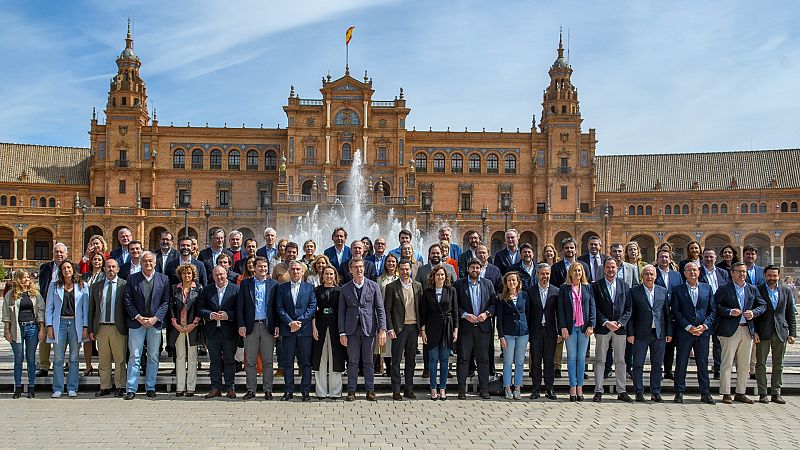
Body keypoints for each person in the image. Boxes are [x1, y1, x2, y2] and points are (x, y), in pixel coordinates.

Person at [714, 261, 766, 404]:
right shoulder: (724, 289)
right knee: (727, 363)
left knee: (744, 365)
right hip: (729, 330)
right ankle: (725, 393)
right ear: (732, 273)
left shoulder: (752, 289)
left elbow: (762, 305)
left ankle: (740, 392)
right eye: (739, 271)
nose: (742, 274)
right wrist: (729, 311)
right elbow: (715, 306)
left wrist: (754, 313)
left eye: (744, 272)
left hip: (747, 329)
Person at [338, 257, 387, 401]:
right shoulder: (345, 288)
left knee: (368, 361)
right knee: (352, 361)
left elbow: (380, 309)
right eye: (356, 267)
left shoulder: (373, 286)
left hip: (369, 329)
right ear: (350, 270)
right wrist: (342, 332)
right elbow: (341, 311)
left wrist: (382, 329)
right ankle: (351, 391)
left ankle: (370, 390)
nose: (359, 269)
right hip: (351, 330)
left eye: (361, 267)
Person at [123, 251, 171, 400]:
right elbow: (128, 301)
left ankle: (150, 387)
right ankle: (131, 388)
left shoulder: (163, 279)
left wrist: (155, 318)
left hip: (154, 324)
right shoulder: (132, 279)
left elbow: (165, 302)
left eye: (150, 261)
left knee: (153, 356)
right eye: (145, 261)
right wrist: (138, 317)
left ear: (155, 262)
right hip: (137, 323)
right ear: (141, 263)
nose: (148, 264)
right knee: (135, 356)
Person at [670, 262, 716, 404]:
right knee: (681, 363)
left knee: (702, 363)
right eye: (689, 270)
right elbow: (676, 311)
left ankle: (705, 393)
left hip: (702, 333)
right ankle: (679, 392)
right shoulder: (678, 289)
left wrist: (704, 326)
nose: (692, 273)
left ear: (699, 272)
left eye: (694, 270)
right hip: (685, 332)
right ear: (684, 273)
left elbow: (712, 311)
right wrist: (688, 326)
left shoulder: (707, 288)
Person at [627, 264, 671, 402]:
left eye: (651, 274)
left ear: (656, 276)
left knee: (657, 364)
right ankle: (639, 391)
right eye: (646, 274)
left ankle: (655, 392)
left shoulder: (662, 291)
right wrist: (630, 333)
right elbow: (631, 314)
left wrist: (668, 332)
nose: (649, 276)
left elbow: (666, 314)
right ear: (642, 276)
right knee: (638, 364)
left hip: (658, 333)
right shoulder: (634, 291)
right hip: (640, 333)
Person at [45, 260, 89, 398]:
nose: (66, 270)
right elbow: (49, 308)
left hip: (76, 323)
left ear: (73, 269)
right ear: (60, 271)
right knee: (58, 358)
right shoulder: (54, 286)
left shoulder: (82, 285)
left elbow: (85, 309)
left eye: (69, 267)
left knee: (74, 358)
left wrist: (85, 327)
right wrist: (49, 326)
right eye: (64, 268)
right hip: (60, 323)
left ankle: (72, 387)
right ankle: (57, 387)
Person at [237, 256, 279, 400]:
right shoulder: (245, 284)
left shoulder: (274, 284)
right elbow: (240, 307)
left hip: (268, 327)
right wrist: (241, 324)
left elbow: (276, 307)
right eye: (260, 266)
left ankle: (268, 389)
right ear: (254, 268)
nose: (263, 269)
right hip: (251, 327)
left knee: (268, 360)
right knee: (250, 361)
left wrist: (277, 325)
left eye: (265, 266)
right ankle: (251, 390)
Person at [591, 258, 632, 402]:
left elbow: (628, 308)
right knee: (600, 360)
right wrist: (606, 322)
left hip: (620, 329)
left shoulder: (625, 286)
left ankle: (621, 390)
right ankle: (598, 390)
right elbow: (594, 306)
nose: (610, 270)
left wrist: (620, 323)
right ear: (604, 269)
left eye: (613, 267)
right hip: (603, 328)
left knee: (620, 360)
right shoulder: (596, 286)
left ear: (617, 269)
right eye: (608, 267)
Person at [455, 258, 497, 399]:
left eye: (477, 268)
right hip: (466, 327)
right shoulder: (459, 285)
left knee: (483, 359)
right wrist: (465, 315)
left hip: (483, 327)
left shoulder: (488, 284)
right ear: (468, 269)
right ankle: (461, 389)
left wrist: (487, 314)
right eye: (472, 267)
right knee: (463, 358)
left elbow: (493, 304)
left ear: (481, 269)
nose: (475, 270)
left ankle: (484, 389)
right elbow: (455, 306)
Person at [754, 265, 797, 404]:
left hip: (781, 331)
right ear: (765, 276)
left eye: (774, 276)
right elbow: (753, 312)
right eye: (769, 276)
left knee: (778, 364)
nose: (772, 278)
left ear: (779, 276)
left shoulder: (785, 290)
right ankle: (762, 393)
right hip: (763, 332)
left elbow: (790, 312)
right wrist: (754, 331)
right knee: (760, 364)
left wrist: (792, 333)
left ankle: (776, 393)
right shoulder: (758, 290)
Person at [276, 261, 317, 401]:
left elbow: (312, 307)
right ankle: (288, 391)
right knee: (288, 362)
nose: (295, 272)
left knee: (305, 363)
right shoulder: (282, 288)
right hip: (288, 331)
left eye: (298, 269)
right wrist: (290, 322)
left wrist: (300, 322)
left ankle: (305, 391)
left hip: (304, 331)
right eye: (292, 269)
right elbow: (279, 308)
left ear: (302, 272)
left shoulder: (309, 288)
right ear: (289, 271)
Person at [87, 258, 128, 397]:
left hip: (118, 328)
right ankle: (105, 386)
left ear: (117, 269)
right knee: (103, 360)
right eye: (108, 267)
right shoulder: (96, 286)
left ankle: (120, 386)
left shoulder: (124, 285)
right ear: (104, 269)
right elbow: (91, 309)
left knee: (120, 360)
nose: (110, 269)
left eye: (113, 267)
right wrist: (91, 330)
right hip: (102, 328)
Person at [3, 269, 45, 398]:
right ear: (18, 279)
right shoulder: (10, 295)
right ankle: (18, 387)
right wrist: (7, 330)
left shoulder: (35, 294)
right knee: (18, 359)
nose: (27, 279)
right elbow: (6, 314)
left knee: (31, 359)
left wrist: (42, 328)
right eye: (24, 277)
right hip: (17, 328)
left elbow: (41, 312)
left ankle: (31, 387)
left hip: (32, 327)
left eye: (28, 277)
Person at [199, 265, 240, 399]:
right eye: (216, 275)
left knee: (229, 360)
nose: (219, 277)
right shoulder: (207, 290)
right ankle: (215, 387)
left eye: (222, 274)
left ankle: (230, 388)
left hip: (229, 330)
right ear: (213, 276)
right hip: (212, 331)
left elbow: (240, 310)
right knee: (214, 361)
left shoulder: (235, 289)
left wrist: (228, 315)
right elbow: (200, 308)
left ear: (226, 274)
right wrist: (211, 315)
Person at [384, 259, 422, 400]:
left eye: (407, 269)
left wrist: (421, 328)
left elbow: (421, 308)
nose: (405, 272)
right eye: (402, 270)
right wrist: (390, 328)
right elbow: (387, 309)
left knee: (411, 361)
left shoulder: (418, 286)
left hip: (413, 327)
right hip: (399, 328)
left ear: (411, 270)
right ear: (398, 271)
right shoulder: (391, 287)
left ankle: (409, 389)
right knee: (396, 361)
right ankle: (396, 390)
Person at [557, 262, 595, 402]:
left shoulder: (587, 287)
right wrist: (563, 327)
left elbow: (592, 307)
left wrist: (591, 325)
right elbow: (560, 309)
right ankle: (572, 386)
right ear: (570, 273)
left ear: (582, 273)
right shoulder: (564, 288)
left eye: (579, 271)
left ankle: (580, 386)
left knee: (581, 358)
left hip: (584, 327)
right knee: (571, 358)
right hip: (570, 326)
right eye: (575, 271)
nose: (577, 273)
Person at [419, 265, 457, 400]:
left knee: (445, 360)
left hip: (447, 328)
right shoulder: (428, 292)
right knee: (433, 360)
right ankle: (433, 388)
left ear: (445, 277)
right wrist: (423, 331)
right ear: (433, 277)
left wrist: (455, 330)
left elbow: (455, 312)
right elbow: (423, 313)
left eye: (442, 275)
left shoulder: (451, 290)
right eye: (437, 275)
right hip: (432, 328)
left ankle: (443, 388)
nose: (440, 277)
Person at [312, 266, 347, 399]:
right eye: (326, 274)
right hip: (320, 326)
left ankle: (335, 392)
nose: (329, 276)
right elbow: (313, 310)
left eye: (331, 274)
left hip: (336, 326)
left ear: (335, 276)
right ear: (323, 275)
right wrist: (313, 327)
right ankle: (320, 392)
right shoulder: (316, 290)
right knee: (320, 358)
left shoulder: (341, 290)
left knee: (336, 358)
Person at [525, 263, 559, 400]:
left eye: (547, 274)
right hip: (536, 331)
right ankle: (536, 389)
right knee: (536, 361)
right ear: (537, 275)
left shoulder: (556, 291)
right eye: (542, 274)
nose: (545, 276)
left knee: (549, 361)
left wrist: (559, 331)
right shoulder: (530, 291)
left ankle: (549, 389)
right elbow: (527, 313)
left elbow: (559, 313)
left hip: (550, 331)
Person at [36, 242, 69, 377]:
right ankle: (44, 366)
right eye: (56, 252)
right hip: (47, 306)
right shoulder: (45, 268)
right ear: (53, 254)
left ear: (66, 254)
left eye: (61, 252)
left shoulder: (71, 267)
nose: (59, 254)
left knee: (64, 337)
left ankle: (60, 363)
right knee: (44, 336)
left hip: (65, 308)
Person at [170, 263, 202, 397]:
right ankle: (180, 386)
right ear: (180, 275)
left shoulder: (198, 289)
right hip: (178, 327)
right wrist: (174, 322)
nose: (186, 275)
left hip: (192, 327)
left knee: (193, 357)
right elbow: (170, 307)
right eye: (184, 273)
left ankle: (191, 387)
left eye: (189, 273)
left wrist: (195, 323)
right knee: (180, 357)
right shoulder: (174, 289)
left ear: (193, 275)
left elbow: (201, 306)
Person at [496, 271, 529, 400]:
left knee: (520, 362)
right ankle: (507, 387)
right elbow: (499, 319)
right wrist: (501, 336)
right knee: (508, 361)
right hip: (508, 333)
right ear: (506, 282)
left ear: (518, 282)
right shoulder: (501, 298)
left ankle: (518, 387)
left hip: (522, 332)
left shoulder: (524, 295)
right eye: (509, 280)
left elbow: (528, 313)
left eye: (514, 280)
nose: (512, 282)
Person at [699, 248, 730, 379]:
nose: (709, 259)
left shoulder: (723, 273)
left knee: (719, 342)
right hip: (704, 311)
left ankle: (718, 369)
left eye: (711, 257)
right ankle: (703, 370)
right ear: (702, 258)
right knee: (703, 342)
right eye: (706, 257)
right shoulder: (698, 273)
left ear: (716, 258)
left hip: (720, 310)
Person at [655, 248, 682, 380]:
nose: (664, 259)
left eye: (666, 257)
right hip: (659, 313)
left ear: (670, 259)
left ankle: (668, 369)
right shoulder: (653, 273)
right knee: (659, 343)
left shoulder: (676, 275)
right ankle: (658, 369)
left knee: (671, 343)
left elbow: (681, 291)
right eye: (661, 257)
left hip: (673, 313)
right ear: (657, 259)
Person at [375, 254, 400, 376]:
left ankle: (395, 368)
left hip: (399, 314)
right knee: (385, 344)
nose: (391, 264)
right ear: (385, 263)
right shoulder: (380, 279)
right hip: (385, 312)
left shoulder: (401, 277)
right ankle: (388, 368)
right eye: (389, 261)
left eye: (393, 261)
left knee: (397, 342)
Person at [81, 252, 105, 377]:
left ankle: (102, 366)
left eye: (99, 260)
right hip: (86, 310)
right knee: (87, 339)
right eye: (95, 259)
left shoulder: (105, 276)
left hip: (99, 310)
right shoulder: (85, 276)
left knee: (100, 339)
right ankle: (88, 365)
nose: (97, 262)